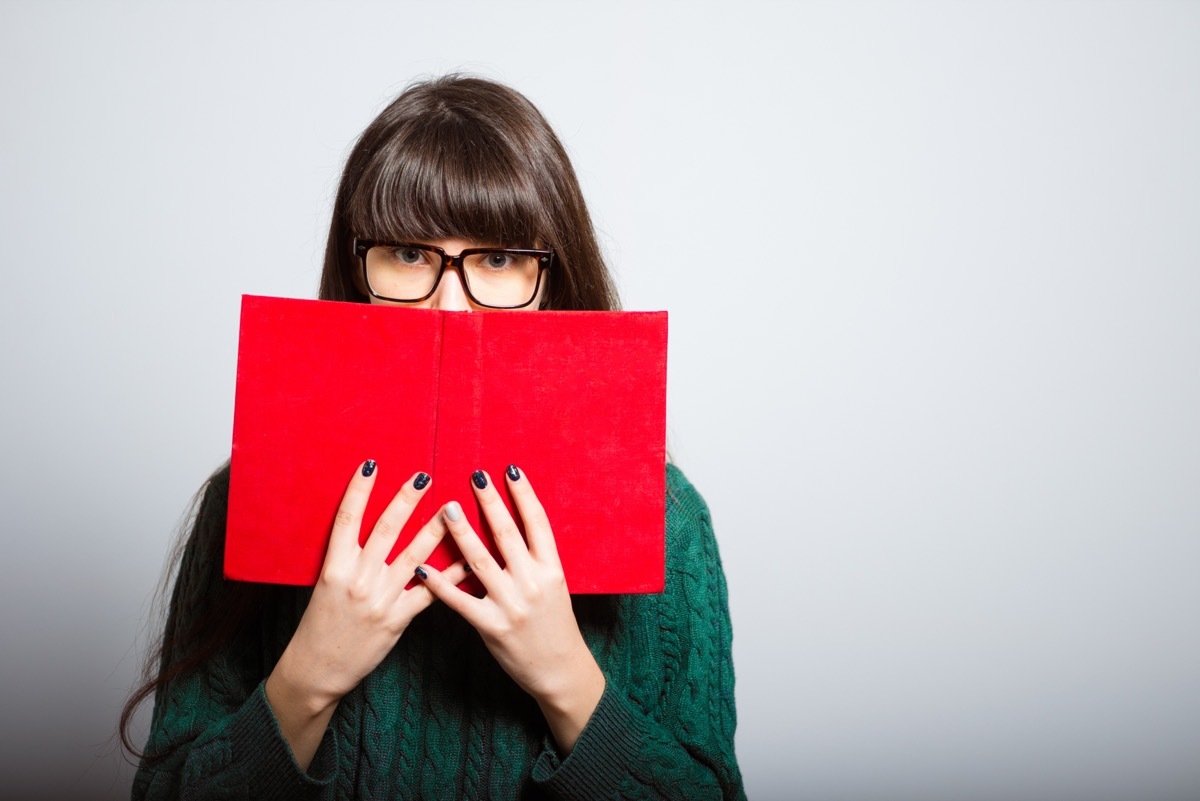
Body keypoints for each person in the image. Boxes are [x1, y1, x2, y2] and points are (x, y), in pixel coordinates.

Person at [122, 75, 746, 800]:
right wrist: (307, 678)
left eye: (500, 259)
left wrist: (566, 677)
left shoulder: (668, 517)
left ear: (553, 276)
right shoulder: (246, 499)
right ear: (358, 267)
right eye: (410, 255)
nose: (450, 305)